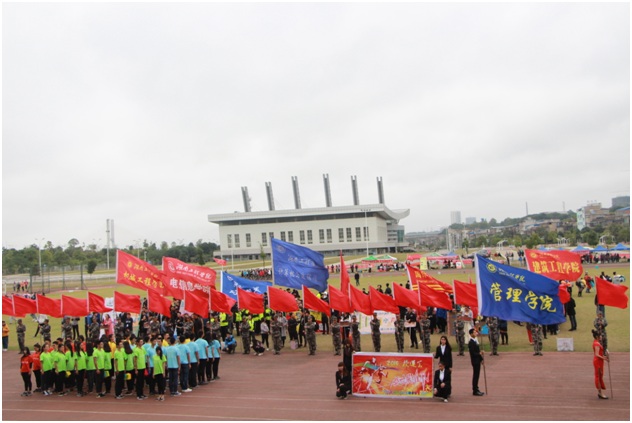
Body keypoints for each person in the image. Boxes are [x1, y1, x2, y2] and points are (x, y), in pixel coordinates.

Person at [592, 329, 609, 399]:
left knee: (600, 376)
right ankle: (600, 393)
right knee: (598, 377)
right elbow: (596, 354)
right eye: (600, 336)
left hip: (599, 361)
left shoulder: (597, 342)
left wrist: (604, 357)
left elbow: (599, 353)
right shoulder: (596, 344)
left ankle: (600, 392)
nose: (601, 337)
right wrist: (604, 358)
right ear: (597, 336)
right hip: (598, 362)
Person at [468, 328, 484, 396]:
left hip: (478, 360)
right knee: (476, 375)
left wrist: (481, 359)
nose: (476, 333)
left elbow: (478, 351)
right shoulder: (471, 342)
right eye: (474, 332)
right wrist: (479, 354)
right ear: (471, 334)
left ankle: (476, 388)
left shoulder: (475, 341)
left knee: (477, 375)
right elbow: (473, 353)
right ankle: (475, 390)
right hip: (475, 361)